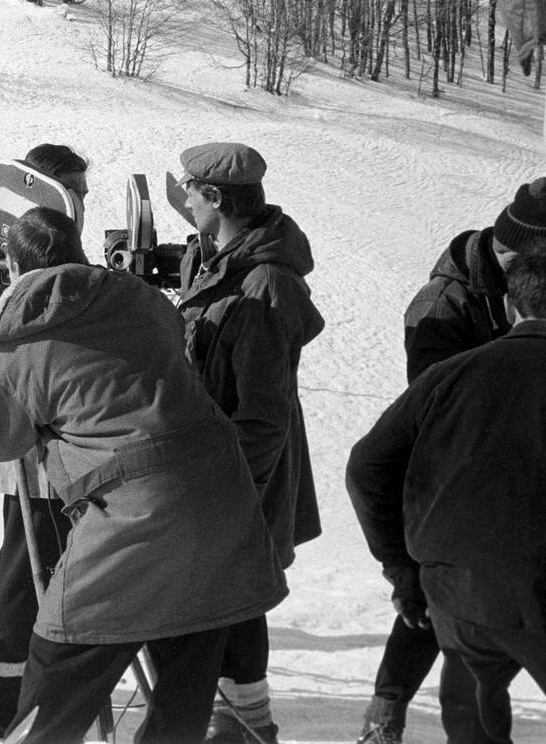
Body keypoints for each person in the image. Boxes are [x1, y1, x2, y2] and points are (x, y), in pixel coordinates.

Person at [0, 206, 287, 744]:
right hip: (221, 508)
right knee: (182, 707)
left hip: (134, 520)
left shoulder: (16, 343)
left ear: (12, 266)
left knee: (58, 676)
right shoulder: (142, 298)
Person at [355, 177, 546, 744]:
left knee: (462, 597)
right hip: (455, 464)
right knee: (445, 578)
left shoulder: (516, 280)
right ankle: (386, 709)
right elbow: (428, 415)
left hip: (511, 463)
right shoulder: (445, 304)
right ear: (522, 253)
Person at [174, 142, 324, 744]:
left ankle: (249, 725)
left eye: (189, 189)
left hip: (242, 467)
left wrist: (231, 493)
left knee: (234, 593)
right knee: (226, 594)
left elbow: (263, 415)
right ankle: (238, 719)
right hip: (219, 459)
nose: (183, 198)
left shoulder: (264, 282)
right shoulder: (221, 258)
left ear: (214, 197)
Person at [0, 143, 89, 739]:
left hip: (38, 454)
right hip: (41, 456)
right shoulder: (30, 273)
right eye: (74, 192)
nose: (82, 204)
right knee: (26, 569)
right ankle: (7, 697)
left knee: (18, 560)